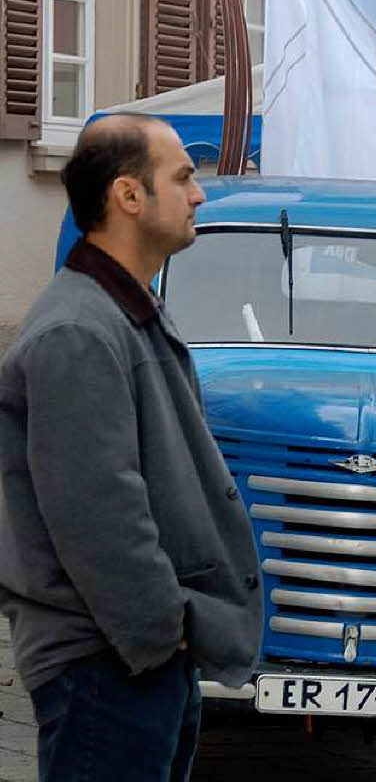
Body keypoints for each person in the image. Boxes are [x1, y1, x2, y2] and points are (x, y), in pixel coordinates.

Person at [0, 114, 262, 781]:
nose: (197, 194)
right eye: (181, 177)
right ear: (128, 196)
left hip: (134, 660)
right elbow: (99, 514)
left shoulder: (122, 310)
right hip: (105, 664)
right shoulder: (79, 332)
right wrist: (162, 627)